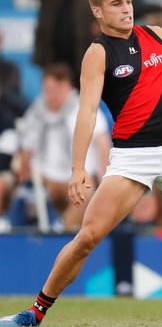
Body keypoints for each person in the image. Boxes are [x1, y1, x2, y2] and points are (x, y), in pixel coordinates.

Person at [0, 0, 162, 327]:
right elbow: (86, 112)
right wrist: (77, 169)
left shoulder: (156, 36)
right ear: (98, 12)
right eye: (116, 4)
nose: (126, 9)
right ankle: (35, 311)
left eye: (128, 1)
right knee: (87, 238)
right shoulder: (98, 53)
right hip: (133, 158)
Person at [16, 62, 110, 231]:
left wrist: (105, 179)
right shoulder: (38, 109)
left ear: (65, 86)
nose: (48, 95)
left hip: (77, 176)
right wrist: (24, 168)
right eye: (45, 89)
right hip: (46, 176)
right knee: (19, 189)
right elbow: (27, 144)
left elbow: (103, 143)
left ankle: (62, 229)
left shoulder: (83, 108)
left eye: (51, 90)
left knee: (85, 193)